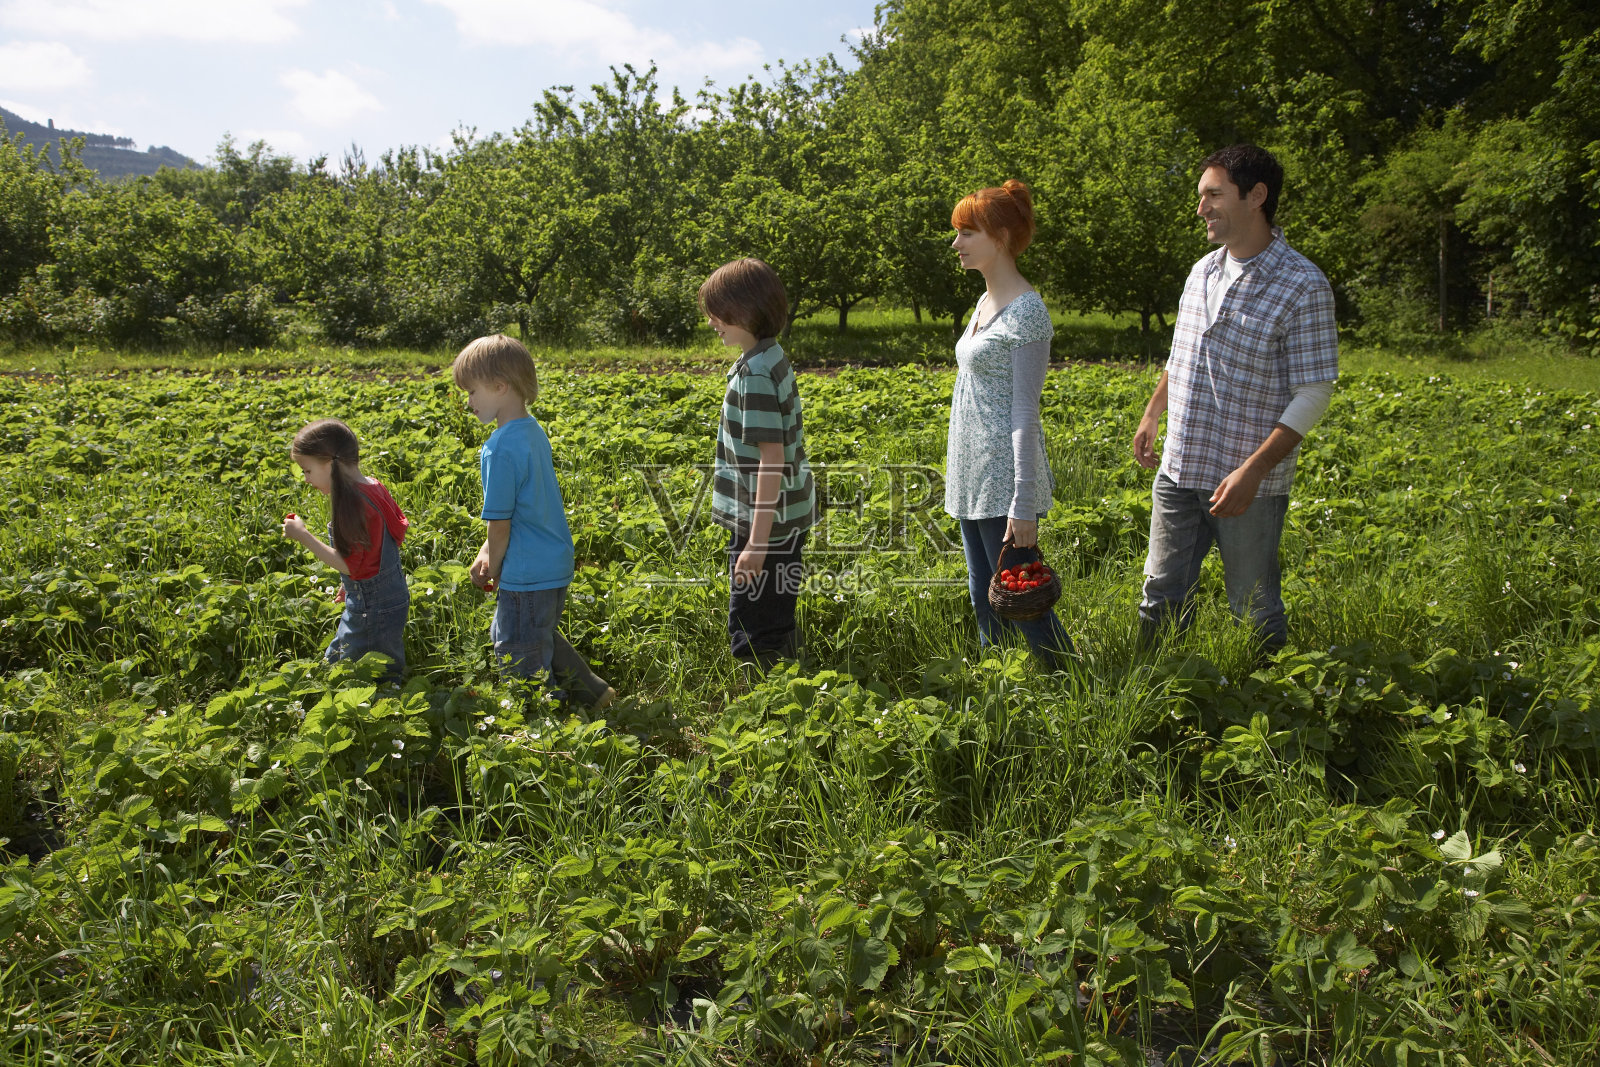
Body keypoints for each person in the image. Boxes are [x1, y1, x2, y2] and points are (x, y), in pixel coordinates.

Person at [1133, 144, 1339, 652]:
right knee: (1161, 593)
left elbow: (1314, 391)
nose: (1201, 208)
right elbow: (1182, 355)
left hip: (1245, 480)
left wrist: (1255, 471)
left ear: (1257, 196)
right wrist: (1152, 413)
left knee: (1252, 603)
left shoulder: (1303, 284)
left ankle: (1270, 701)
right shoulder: (1202, 271)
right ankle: (1156, 689)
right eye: (1202, 196)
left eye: (1213, 195)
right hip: (1180, 465)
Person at [944, 180, 1072, 668]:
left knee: (1025, 600)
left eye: (966, 233)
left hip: (1003, 478)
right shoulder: (984, 304)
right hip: (972, 473)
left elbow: (1024, 412)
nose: (956, 244)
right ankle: (999, 683)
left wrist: (1023, 499)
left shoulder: (1028, 313)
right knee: (985, 595)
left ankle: (1067, 683)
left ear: (998, 237)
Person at [453, 334, 615, 707]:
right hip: (552, 561)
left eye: (472, 392)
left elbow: (501, 523)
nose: (469, 403)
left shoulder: (499, 448)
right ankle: (595, 693)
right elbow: (520, 508)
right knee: (538, 633)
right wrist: (486, 552)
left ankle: (540, 722)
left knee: (516, 648)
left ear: (499, 386)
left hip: (525, 572)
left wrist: (492, 564)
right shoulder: (532, 431)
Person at [699, 258, 817, 668]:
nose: (712, 320)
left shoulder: (755, 374)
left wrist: (756, 542)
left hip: (763, 519)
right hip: (785, 511)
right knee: (775, 601)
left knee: (753, 616)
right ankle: (787, 662)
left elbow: (771, 459)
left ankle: (763, 697)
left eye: (719, 312)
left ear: (747, 311)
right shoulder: (769, 356)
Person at [282, 418, 410, 681]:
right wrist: (353, 582)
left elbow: (350, 564)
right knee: (371, 657)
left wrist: (303, 535)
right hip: (390, 593)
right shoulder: (373, 486)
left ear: (329, 465)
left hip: (371, 606)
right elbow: (393, 534)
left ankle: (385, 705)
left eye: (307, 470)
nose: (306, 479)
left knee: (352, 666)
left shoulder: (352, 503)